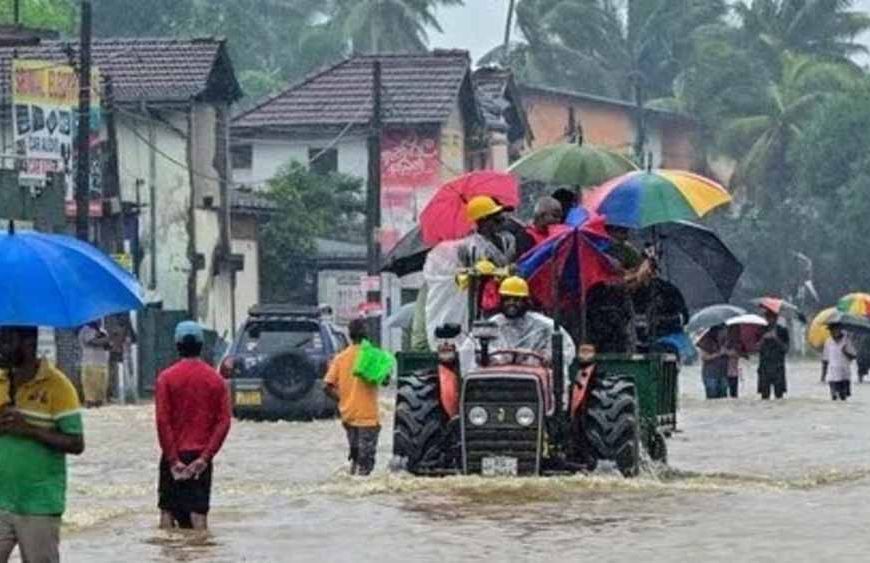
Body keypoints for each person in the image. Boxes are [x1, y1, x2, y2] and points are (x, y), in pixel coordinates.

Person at [0, 326, 85, 563]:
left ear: (29, 343)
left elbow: (76, 443)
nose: (1, 347)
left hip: (39, 504)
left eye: (7, 341)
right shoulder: (1, 380)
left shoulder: (59, 386)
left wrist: (28, 430)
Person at [155, 321, 231, 531]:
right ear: (201, 345)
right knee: (199, 516)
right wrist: (204, 459)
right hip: (201, 458)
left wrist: (173, 461)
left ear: (177, 345)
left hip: (174, 456)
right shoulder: (216, 381)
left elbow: (163, 421)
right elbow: (224, 422)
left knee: (167, 514)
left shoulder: (166, 379)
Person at [324, 318, 381, 476]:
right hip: (368, 418)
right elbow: (386, 380)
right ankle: (361, 497)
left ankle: (352, 488)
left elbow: (327, 386)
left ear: (350, 335)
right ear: (366, 334)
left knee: (355, 458)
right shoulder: (373, 356)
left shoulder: (340, 358)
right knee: (366, 464)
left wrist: (342, 399)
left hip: (348, 416)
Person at [486, 277, 576, 372]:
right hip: (499, 377)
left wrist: (550, 358)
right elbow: (473, 352)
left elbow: (567, 348)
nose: (511, 303)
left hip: (535, 375)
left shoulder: (544, 325)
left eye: (516, 300)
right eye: (507, 299)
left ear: (525, 301)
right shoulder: (491, 325)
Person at [757, 307, 790, 400]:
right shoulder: (761, 329)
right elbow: (755, 348)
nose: (770, 319)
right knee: (764, 396)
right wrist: (763, 339)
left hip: (778, 366)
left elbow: (786, 349)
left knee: (779, 396)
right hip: (764, 366)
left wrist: (776, 339)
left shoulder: (783, 330)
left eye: (772, 317)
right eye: (768, 316)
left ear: (776, 317)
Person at [79, 320, 111, 407]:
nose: (99, 321)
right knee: (90, 384)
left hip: (102, 362)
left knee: (101, 385)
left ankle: (99, 401)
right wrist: (105, 339)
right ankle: (90, 401)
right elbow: (93, 342)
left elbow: (107, 345)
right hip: (90, 362)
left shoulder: (103, 331)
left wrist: (106, 340)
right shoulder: (86, 330)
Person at [822, 324, 856, 401]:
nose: (833, 332)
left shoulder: (846, 340)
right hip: (832, 375)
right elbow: (825, 359)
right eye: (831, 330)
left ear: (840, 330)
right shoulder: (828, 341)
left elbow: (853, 356)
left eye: (835, 330)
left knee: (843, 397)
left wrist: (845, 351)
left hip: (844, 374)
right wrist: (823, 376)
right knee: (834, 397)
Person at [698, 325, 729, 399]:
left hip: (723, 373)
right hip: (710, 374)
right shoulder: (705, 340)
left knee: (723, 398)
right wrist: (719, 354)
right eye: (724, 330)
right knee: (712, 397)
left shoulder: (727, 341)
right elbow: (704, 357)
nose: (726, 332)